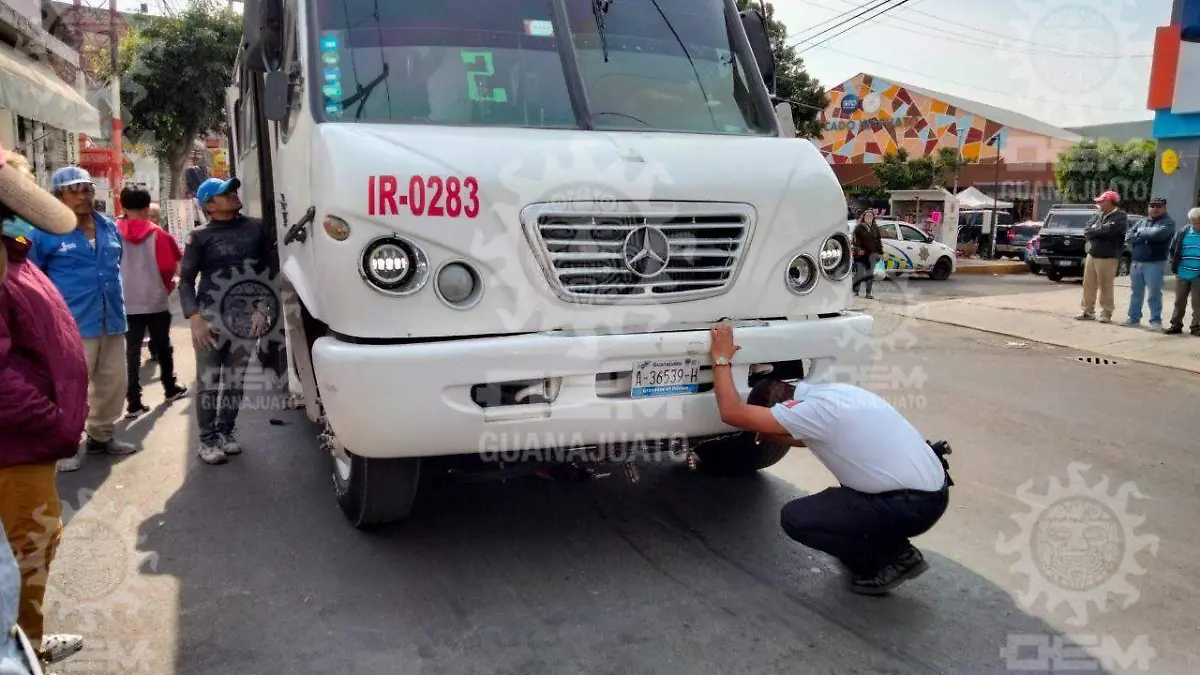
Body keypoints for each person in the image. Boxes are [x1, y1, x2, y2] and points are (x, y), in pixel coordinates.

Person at [707, 321, 951, 595]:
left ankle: (892, 558)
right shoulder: (831, 395)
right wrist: (770, 434)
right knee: (843, 498)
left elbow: (731, 412)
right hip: (933, 492)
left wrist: (721, 358)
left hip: (910, 507)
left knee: (797, 518)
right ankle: (881, 544)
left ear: (780, 409)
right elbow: (807, 438)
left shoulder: (808, 414)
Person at [0, 146, 87, 667]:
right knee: (24, 551)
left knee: (34, 544)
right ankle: (20, 652)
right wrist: (51, 422)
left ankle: (26, 639)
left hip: (29, 442)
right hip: (18, 444)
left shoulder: (14, 253)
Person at [26, 167, 137, 470]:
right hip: (70, 324)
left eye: (86, 189)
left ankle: (102, 435)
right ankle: (66, 444)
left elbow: (115, 265)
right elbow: (31, 278)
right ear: (59, 196)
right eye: (73, 191)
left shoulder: (108, 226)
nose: (82, 196)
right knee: (69, 387)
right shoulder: (44, 231)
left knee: (113, 382)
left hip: (111, 318)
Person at [179, 177, 276, 465]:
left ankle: (225, 431)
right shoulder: (199, 237)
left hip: (246, 319)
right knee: (209, 382)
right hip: (210, 318)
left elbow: (269, 271)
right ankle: (207, 440)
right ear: (209, 205)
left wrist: (263, 309)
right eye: (225, 193)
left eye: (233, 190)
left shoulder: (257, 228)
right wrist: (195, 317)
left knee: (235, 381)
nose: (234, 194)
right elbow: (185, 281)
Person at [116, 186, 187, 417]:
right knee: (163, 345)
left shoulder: (112, 233)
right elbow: (171, 267)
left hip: (125, 301)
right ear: (148, 208)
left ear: (123, 207)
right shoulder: (160, 235)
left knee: (132, 351)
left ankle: (133, 402)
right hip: (155, 300)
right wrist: (168, 285)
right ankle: (170, 388)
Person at [1123, 197, 1176, 330]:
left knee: (1154, 294)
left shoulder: (1168, 222)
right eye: (1152, 206)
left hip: (1154, 263)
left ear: (1164, 208)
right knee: (1136, 293)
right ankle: (1133, 318)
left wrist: (1139, 233)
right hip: (1136, 262)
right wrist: (1144, 234)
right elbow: (1128, 236)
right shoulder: (1142, 221)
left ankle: (1156, 321)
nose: (1154, 208)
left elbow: (1157, 235)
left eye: (1158, 206)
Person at [1076, 190, 1128, 323]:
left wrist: (1096, 230)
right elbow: (1087, 230)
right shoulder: (1098, 215)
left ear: (1109, 202)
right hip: (1092, 254)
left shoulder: (1120, 216)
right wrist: (1097, 230)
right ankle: (1087, 311)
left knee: (1105, 285)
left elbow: (1109, 231)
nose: (1099, 203)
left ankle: (1106, 312)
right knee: (1088, 285)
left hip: (1108, 256)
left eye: (1101, 201)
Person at [1165, 207, 1200, 336]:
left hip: (1198, 274)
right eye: (1195, 222)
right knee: (1179, 301)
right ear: (1191, 221)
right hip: (1182, 272)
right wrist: (1174, 263)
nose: (1197, 225)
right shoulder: (1182, 232)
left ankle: (1196, 327)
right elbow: (1172, 249)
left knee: (1197, 303)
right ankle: (1176, 325)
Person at [852, 209, 883, 299]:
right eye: (867, 215)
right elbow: (855, 240)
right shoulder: (859, 227)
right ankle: (856, 291)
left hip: (872, 254)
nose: (869, 217)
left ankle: (868, 293)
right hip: (861, 255)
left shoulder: (876, 228)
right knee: (859, 274)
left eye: (871, 216)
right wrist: (858, 249)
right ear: (864, 217)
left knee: (870, 274)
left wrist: (880, 253)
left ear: (873, 217)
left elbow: (878, 241)